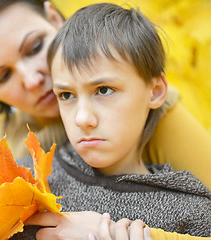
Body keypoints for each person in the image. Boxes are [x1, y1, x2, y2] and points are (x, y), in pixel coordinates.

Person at [0, 0, 211, 190]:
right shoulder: (9, 157)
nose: (33, 80)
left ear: (55, 20)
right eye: (3, 76)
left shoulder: (154, 117)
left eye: (35, 47)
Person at [12, 3, 211, 239]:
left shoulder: (193, 212)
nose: (82, 118)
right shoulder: (25, 181)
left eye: (104, 90)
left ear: (155, 91)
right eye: (66, 95)